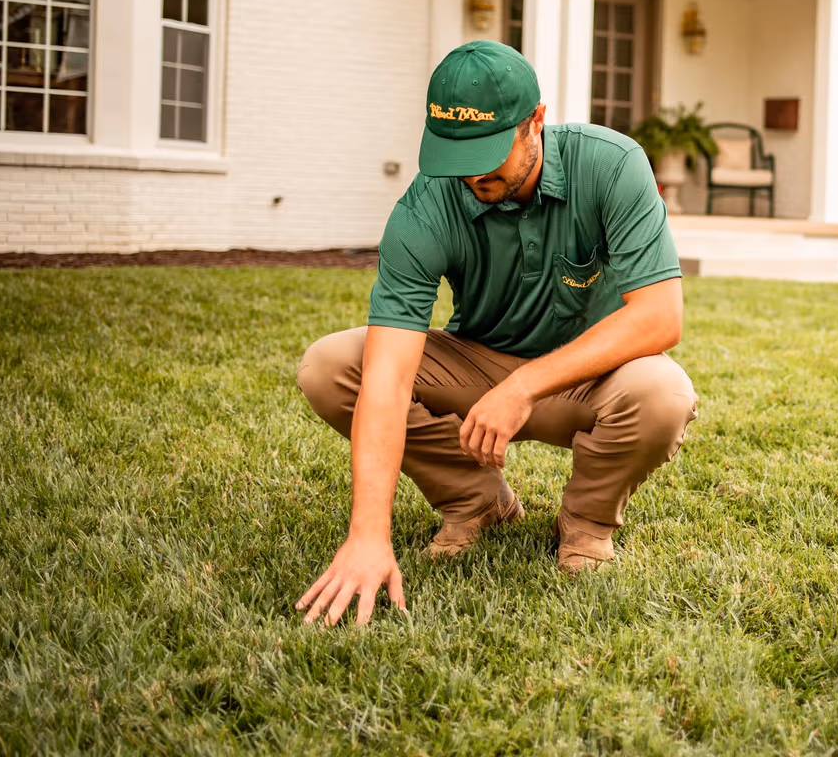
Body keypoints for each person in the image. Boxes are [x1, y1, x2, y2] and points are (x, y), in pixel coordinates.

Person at [293, 40, 697, 626]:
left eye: (486, 151)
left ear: (535, 123)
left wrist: (524, 386)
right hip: (476, 368)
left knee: (664, 393)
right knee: (330, 366)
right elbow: (385, 375)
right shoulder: (426, 206)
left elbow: (661, 317)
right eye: (454, 153)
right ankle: (475, 499)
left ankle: (585, 523)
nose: (471, 173)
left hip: (590, 380)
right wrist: (368, 535)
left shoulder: (612, 164)